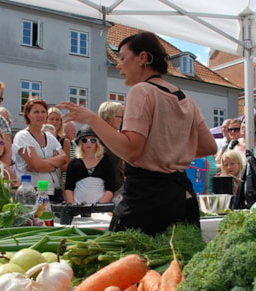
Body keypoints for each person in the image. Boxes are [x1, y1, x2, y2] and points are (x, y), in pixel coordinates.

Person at [58, 31, 217, 236]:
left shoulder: (142, 90)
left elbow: (131, 150)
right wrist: (169, 152)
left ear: (142, 58)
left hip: (148, 201)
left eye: (123, 58)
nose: (118, 65)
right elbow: (208, 147)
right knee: (179, 263)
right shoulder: (185, 99)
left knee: (133, 262)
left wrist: (91, 119)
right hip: (182, 198)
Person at [12, 96, 68, 202]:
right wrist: (54, 164)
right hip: (32, 192)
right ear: (28, 114)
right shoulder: (23, 136)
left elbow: (64, 159)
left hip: (53, 192)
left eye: (43, 111)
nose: (40, 115)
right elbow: (35, 165)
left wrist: (43, 164)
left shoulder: (50, 136)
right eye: (36, 112)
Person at [64, 126, 115, 204]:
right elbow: (68, 188)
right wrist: (73, 206)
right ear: (80, 143)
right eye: (84, 140)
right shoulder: (74, 163)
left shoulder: (107, 161)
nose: (88, 143)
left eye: (93, 140)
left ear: (98, 142)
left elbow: (110, 188)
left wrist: (99, 206)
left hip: (100, 210)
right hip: (77, 209)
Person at [97, 100, 125, 196]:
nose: (122, 120)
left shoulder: (118, 138)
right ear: (109, 118)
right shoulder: (96, 139)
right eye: (120, 117)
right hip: (100, 192)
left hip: (117, 190)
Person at [46, 107, 71, 194]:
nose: (55, 122)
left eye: (57, 119)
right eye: (52, 119)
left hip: (57, 182)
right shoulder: (38, 139)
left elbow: (67, 165)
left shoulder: (65, 142)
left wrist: (55, 162)